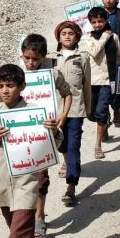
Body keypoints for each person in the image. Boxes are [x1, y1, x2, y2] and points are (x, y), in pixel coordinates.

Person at [0, 64, 62, 238]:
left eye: (10, 86)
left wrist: (54, 131)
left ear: (22, 87)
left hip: (26, 184)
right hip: (3, 183)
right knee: (17, 230)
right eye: (0, 86)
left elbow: (55, 144)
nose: (4, 91)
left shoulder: (35, 113)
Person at [19, 34, 72, 238]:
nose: (30, 63)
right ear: (21, 55)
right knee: (23, 180)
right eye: (27, 58)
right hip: (20, 136)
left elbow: (67, 93)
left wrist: (63, 115)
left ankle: (39, 217)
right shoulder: (17, 75)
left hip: (43, 135)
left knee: (41, 178)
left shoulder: (52, 74)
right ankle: (24, 218)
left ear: (43, 57)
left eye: (35, 59)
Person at [50, 22, 91, 206]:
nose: (67, 36)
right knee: (62, 144)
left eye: (71, 33)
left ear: (77, 37)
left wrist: (88, 108)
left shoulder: (83, 57)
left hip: (75, 110)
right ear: (58, 37)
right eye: (63, 33)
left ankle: (71, 186)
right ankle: (67, 162)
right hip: (55, 111)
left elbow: (86, 85)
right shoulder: (50, 58)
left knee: (73, 146)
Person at [82, 7, 120, 160]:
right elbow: (94, 52)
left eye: (100, 21)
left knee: (101, 110)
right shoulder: (87, 39)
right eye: (94, 22)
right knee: (92, 114)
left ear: (106, 20)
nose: (97, 25)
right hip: (91, 82)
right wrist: (104, 37)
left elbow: (119, 54)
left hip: (108, 80)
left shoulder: (113, 37)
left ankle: (97, 145)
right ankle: (105, 124)